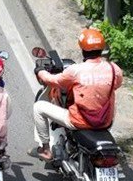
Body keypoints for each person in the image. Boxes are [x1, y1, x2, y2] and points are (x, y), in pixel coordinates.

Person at [34, 26, 125, 160]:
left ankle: (46, 150)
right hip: (105, 121)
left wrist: (40, 71)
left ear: (83, 50)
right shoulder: (113, 69)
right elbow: (115, 85)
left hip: (79, 121)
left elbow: (53, 81)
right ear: (102, 49)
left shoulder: (76, 70)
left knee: (39, 107)